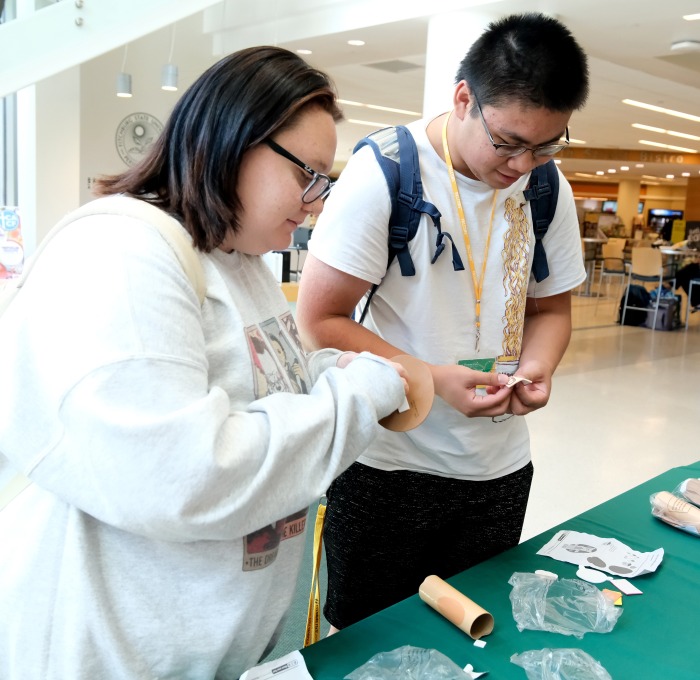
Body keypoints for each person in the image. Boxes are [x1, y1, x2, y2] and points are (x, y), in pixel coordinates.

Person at [0, 46, 408, 679]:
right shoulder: (123, 254)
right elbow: (185, 475)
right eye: (309, 176)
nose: (315, 202)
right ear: (234, 140)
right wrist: (355, 399)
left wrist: (329, 373)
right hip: (122, 651)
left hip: (221, 645)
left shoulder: (240, 258)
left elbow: (258, 386)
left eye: (326, 183)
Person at [296, 13, 590, 630]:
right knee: (369, 639)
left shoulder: (544, 186)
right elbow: (320, 319)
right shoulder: (385, 172)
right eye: (508, 142)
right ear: (464, 100)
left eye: (547, 144)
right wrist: (429, 379)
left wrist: (536, 367)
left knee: (476, 633)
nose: (523, 165)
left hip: (497, 468)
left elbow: (551, 308)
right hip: (389, 464)